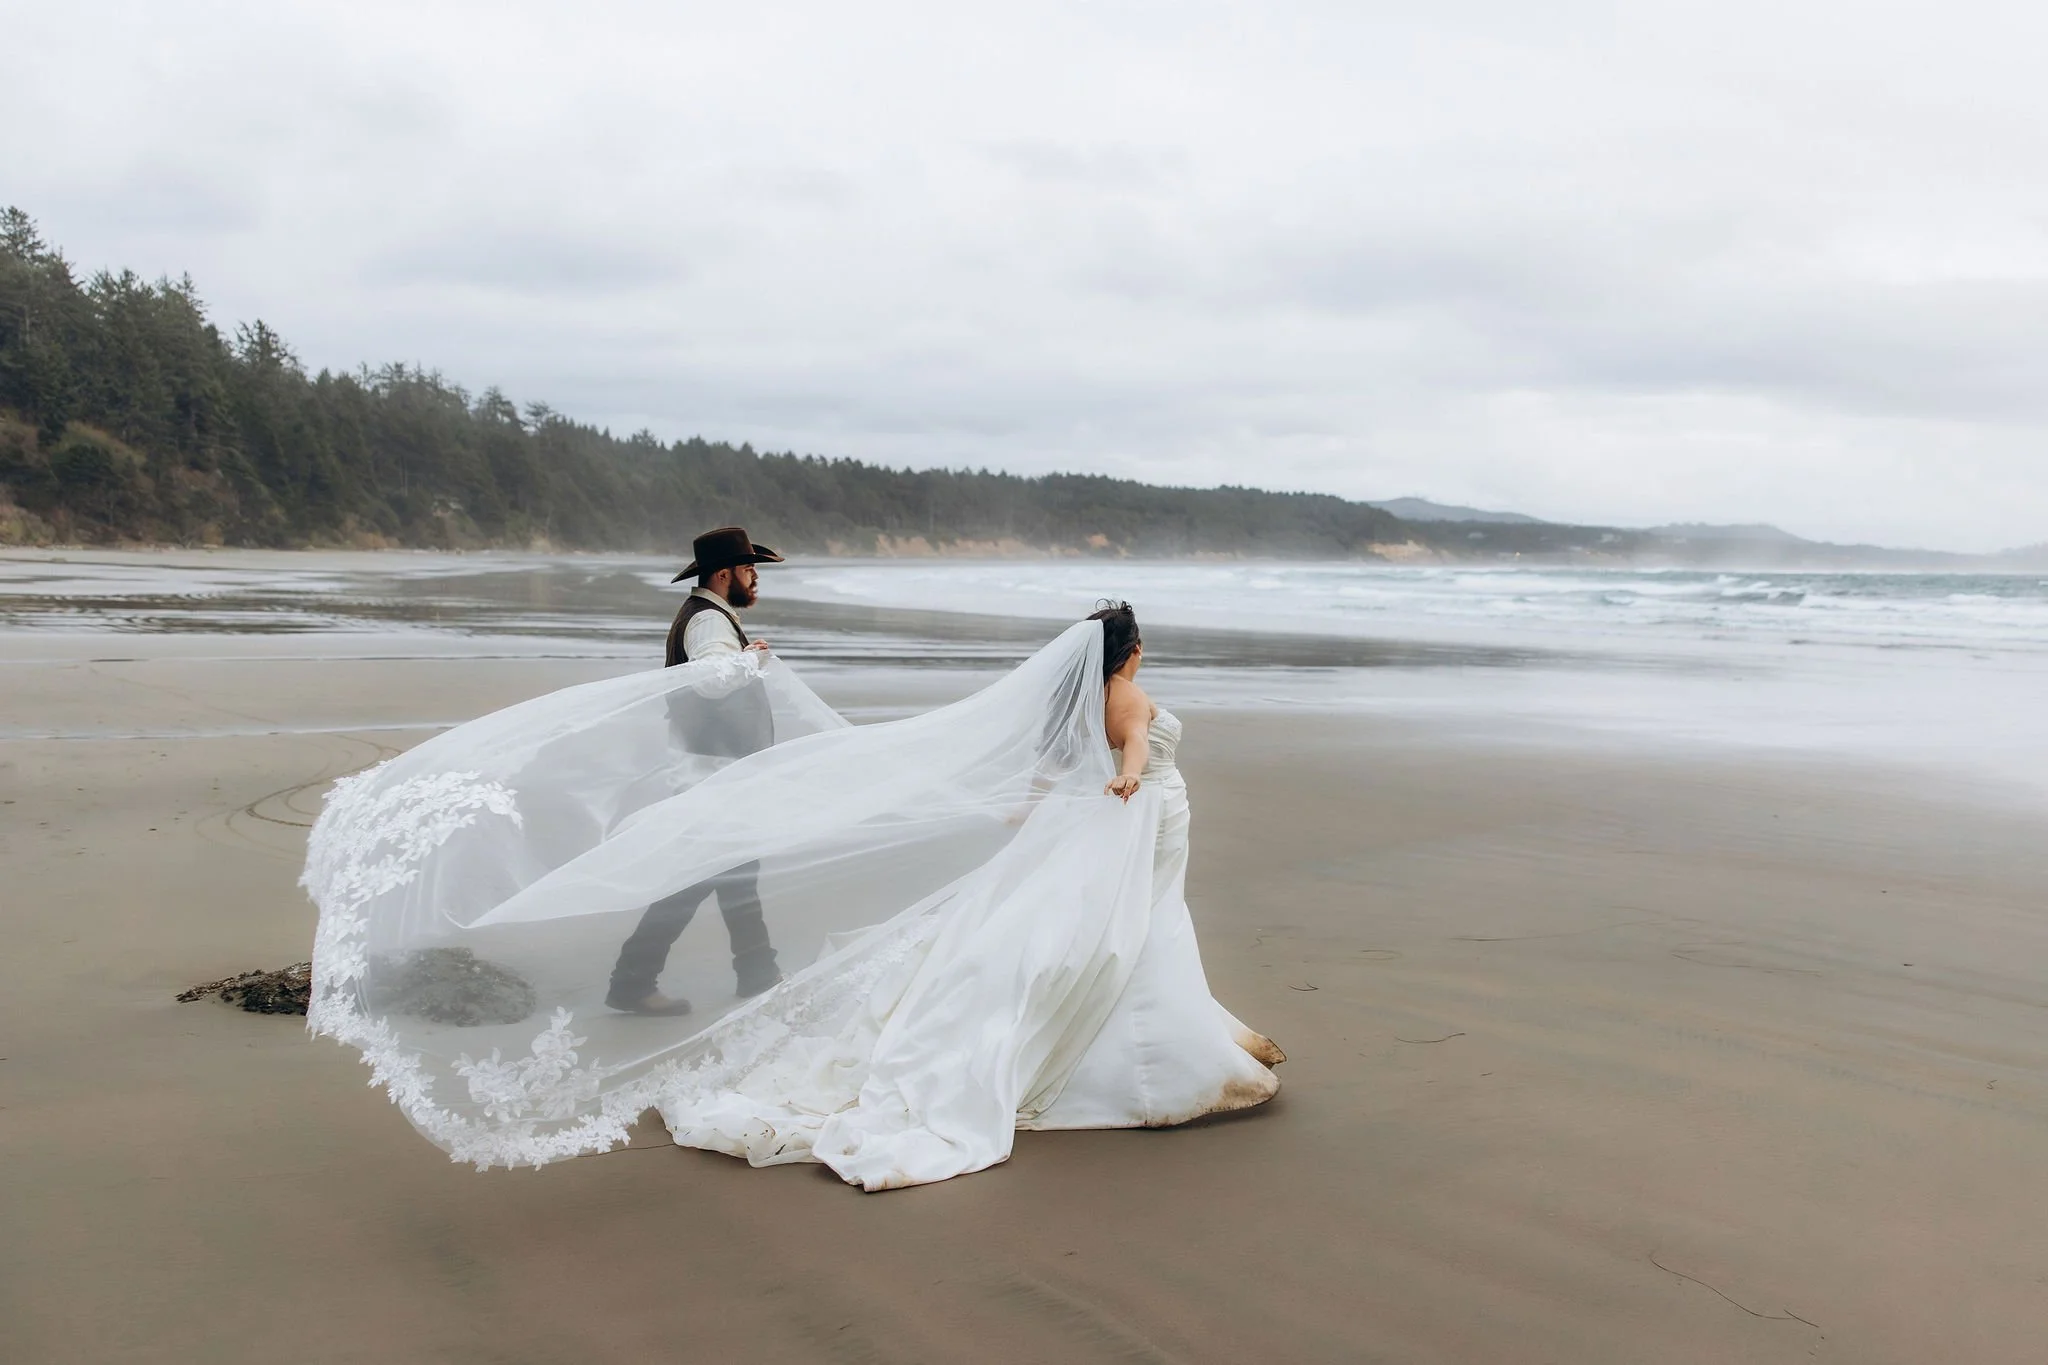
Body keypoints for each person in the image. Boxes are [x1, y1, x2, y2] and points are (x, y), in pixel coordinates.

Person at [604, 526, 786, 1015]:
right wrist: (752, 664)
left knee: (736, 875)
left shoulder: (709, 614)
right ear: (724, 575)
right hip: (711, 773)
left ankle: (757, 973)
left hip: (712, 769)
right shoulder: (707, 622)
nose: (755, 578)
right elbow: (708, 683)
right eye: (749, 569)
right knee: (695, 879)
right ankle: (632, 980)